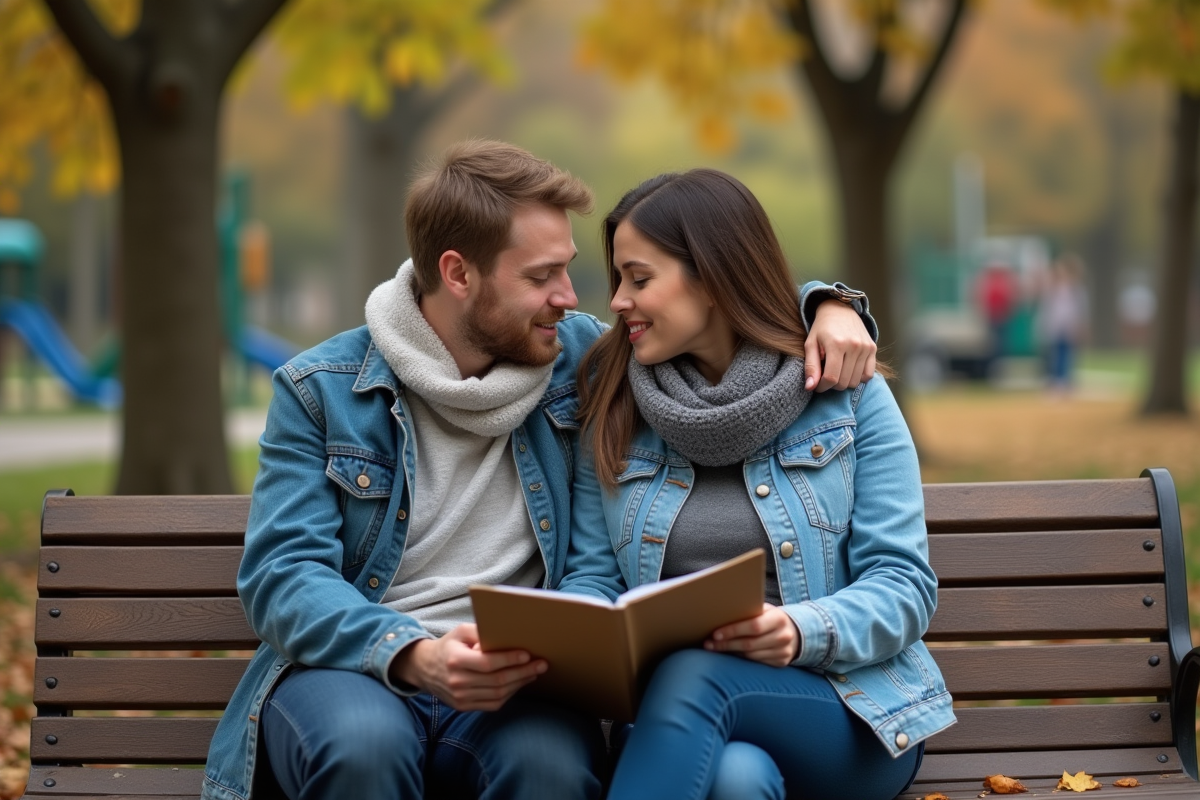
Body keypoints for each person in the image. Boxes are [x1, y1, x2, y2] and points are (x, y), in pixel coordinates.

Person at [200, 141, 881, 800]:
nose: (572, 296)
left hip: (517, 677)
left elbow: (712, 298)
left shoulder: (582, 362)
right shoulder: (321, 390)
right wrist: (411, 653)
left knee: (551, 762)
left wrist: (828, 304)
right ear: (459, 274)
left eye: (569, 269)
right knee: (363, 747)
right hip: (360, 663)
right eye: (539, 277)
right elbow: (284, 577)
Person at [574, 169, 956, 800]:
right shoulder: (613, 403)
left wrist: (798, 630)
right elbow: (592, 575)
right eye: (618, 279)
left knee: (697, 677)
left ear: (714, 277)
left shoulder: (848, 397)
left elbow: (904, 586)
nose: (617, 300)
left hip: (845, 709)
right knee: (736, 780)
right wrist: (589, 631)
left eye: (639, 279)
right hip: (677, 726)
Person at [1038, 253, 1089, 394]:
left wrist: (1079, 325)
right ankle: (1055, 380)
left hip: (1069, 326)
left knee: (1068, 354)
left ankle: (1065, 381)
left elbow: (1080, 309)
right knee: (1055, 354)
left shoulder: (1075, 290)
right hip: (1055, 326)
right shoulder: (1053, 289)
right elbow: (1048, 309)